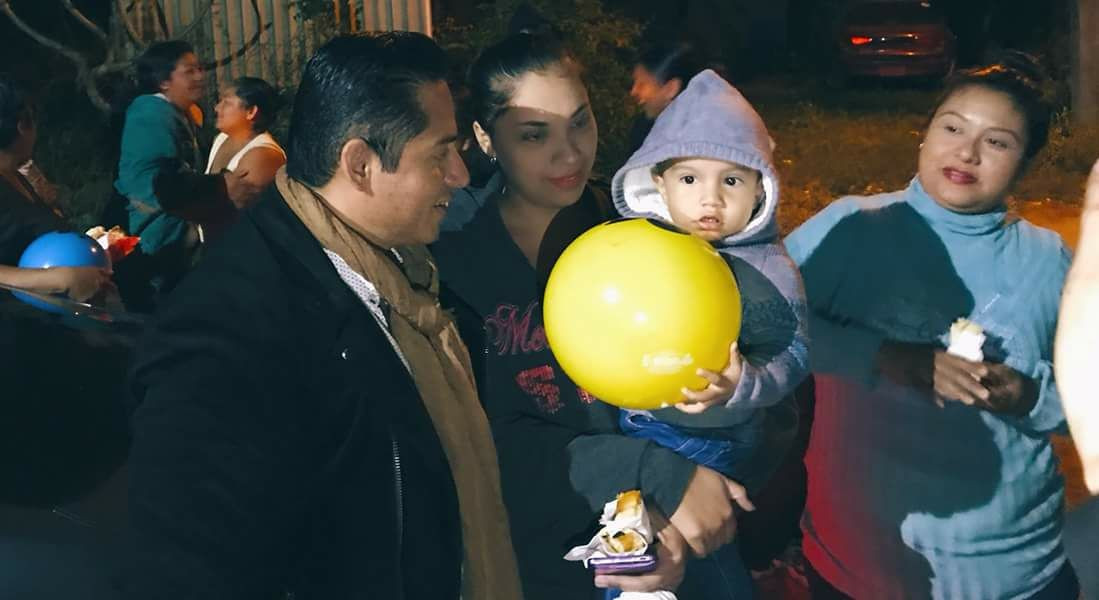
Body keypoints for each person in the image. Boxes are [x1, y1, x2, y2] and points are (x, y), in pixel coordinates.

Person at [124, 32, 523, 599]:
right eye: (440, 153)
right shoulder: (229, 332)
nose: (459, 174)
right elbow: (184, 570)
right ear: (360, 164)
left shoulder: (413, 276)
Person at [432, 27, 750, 600]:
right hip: (525, 555)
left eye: (580, 122)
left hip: (664, 545)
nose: (571, 153)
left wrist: (675, 504)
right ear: (484, 137)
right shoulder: (447, 249)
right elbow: (463, 435)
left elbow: (749, 386)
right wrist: (649, 473)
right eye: (535, 135)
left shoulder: (646, 227)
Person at [785, 55, 1079, 598]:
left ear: (1025, 162)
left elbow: (1088, 402)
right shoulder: (853, 229)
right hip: (859, 565)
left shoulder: (1048, 262)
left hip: (1014, 571)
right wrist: (884, 357)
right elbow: (766, 327)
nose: (966, 153)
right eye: (952, 128)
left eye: (997, 142)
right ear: (925, 134)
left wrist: (1028, 396)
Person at [611, 69, 810, 597]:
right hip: (635, 421)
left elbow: (795, 351)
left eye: (731, 181)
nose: (710, 200)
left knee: (680, 551)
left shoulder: (768, 267)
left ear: (760, 187)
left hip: (710, 435)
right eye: (690, 180)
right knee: (645, 537)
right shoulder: (641, 246)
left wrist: (745, 382)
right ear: (659, 182)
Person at [113, 41, 253, 308]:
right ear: (164, 81)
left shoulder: (177, 112)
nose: (200, 76)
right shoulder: (151, 113)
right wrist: (221, 185)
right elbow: (167, 181)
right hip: (153, 241)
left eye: (200, 69)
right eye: (189, 71)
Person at [205, 77, 286, 206]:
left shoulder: (264, 155)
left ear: (251, 112)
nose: (217, 108)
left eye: (227, 103)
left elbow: (233, 207)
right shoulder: (222, 138)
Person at [627, 41, 704, 155]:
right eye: (634, 83)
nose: (633, 92)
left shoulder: (692, 144)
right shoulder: (643, 128)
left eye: (642, 85)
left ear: (671, 89)